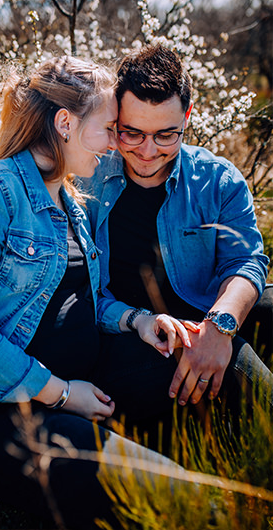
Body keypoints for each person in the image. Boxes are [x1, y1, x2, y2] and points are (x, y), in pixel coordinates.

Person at [0, 55, 195, 530]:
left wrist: (139, 321)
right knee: (167, 488)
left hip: (79, 380)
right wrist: (63, 394)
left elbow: (84, 301)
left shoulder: (69, 201)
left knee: (202, 360)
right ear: (65, 123)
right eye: (108, 128)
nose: (115, 144)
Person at [79, 43, 273, 442]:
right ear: (115, 118)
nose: (148, 152)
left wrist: (218, 328)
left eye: (166, 134)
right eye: (132, 132)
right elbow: (80, 294)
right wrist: (147, 323)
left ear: (187, 115)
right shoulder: (86, 182)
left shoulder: (218, 179)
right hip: (131, 334)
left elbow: (246, 262)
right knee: (242, 371)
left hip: (207, 312)